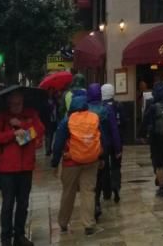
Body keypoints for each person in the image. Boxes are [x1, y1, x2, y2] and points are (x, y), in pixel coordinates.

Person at [0, 90, 45, 246]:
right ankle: (6, 238)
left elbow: (39, 131)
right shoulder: (1, 118)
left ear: (23, 102)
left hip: (26, 167)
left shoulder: (31, 114)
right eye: (12, 103)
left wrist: (22, 125)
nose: (15, 106)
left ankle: (19, 235)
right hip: (7, 169)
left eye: (18, 103)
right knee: (8, 203)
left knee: (23, 203)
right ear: (8, 103)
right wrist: (12, 134)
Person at [52, 94, 106, 237]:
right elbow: (102, 139)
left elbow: (58, 144)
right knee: (88, 192)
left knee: (68, 192)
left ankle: (63, 223)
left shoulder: (67, 121)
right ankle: (88, 225)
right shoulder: (94, 118)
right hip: (91, 161)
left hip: (71, 163)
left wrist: (54, 163)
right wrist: (101, 157)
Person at [86, 83, 119, 219]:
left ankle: (94, 202)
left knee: (90, 176)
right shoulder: (106, 109)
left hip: (88, 147)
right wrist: (118, 148)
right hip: (103, 147)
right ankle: (99, 200)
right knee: (102, 174)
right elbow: (114, 130)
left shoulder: (85, 109)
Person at [100, 83, 124, 203]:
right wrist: (119, 147)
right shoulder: (118, 106)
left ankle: (107, 192)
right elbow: (123, 124)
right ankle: (116, 185)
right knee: (116, 166)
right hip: (117, 140)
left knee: (104, 168)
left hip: (104, 142)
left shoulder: (100, 108)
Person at [43, 90, 60, 158]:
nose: (51, 92)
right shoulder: (45, 101)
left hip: (54, 120)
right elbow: (44, 110)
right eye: (49, 91)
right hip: (47, 120)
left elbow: (58, 107)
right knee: (48, 134)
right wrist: (50, 107)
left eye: (52, 91)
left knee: (52, 134)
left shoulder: (55, 100)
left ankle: (49, 148)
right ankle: (47, 149)